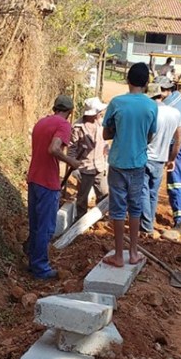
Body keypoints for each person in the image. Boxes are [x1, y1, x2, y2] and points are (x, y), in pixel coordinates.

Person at [102, 63, 158, 267]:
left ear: (127, 80)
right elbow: (150, 136)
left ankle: (118, 255)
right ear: (146, 83)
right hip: (138, 163)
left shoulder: (117, 103)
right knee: (135, 207)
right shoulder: (151, 106)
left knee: (117, 209)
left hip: (118, 162)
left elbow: (106, 134)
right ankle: (133, 253)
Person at [25, 95, 81, 279]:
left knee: (35, 224)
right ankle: (41, 268)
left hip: (34, 178)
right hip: (47, 182)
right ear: (70, 112)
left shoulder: (41, 122)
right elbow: (54, 149)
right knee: (46, 227)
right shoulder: (63, 125)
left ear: (54, 107)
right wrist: (71, 161)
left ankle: (33, 261)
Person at [141, 83, 181, 236]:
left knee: (143, 192)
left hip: (146, 157)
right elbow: (178, 139)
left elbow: (144, 136)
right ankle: (149, 222)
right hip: (161, 159)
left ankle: (146, 227)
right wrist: (172, 159)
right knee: (153, 193)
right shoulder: (175, 113)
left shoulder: (149, 112)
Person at [157, 76, 181, 235]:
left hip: (177, 147)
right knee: (179, 183)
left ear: (164, 90)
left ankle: (180, 222)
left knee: (174, 184)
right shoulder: (180, 96)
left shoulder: (168, 106)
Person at [67, 97, 110, 219]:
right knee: (82, 197)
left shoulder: (101, 124)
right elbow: (72, 148)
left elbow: (105, 142)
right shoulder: (78, 127)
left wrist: (106, 155)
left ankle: (101, 218)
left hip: (99, 166)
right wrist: (74, 167)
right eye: (98, 111)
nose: (101, 113)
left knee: (103, 194)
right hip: (85, 168)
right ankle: (81, 220)